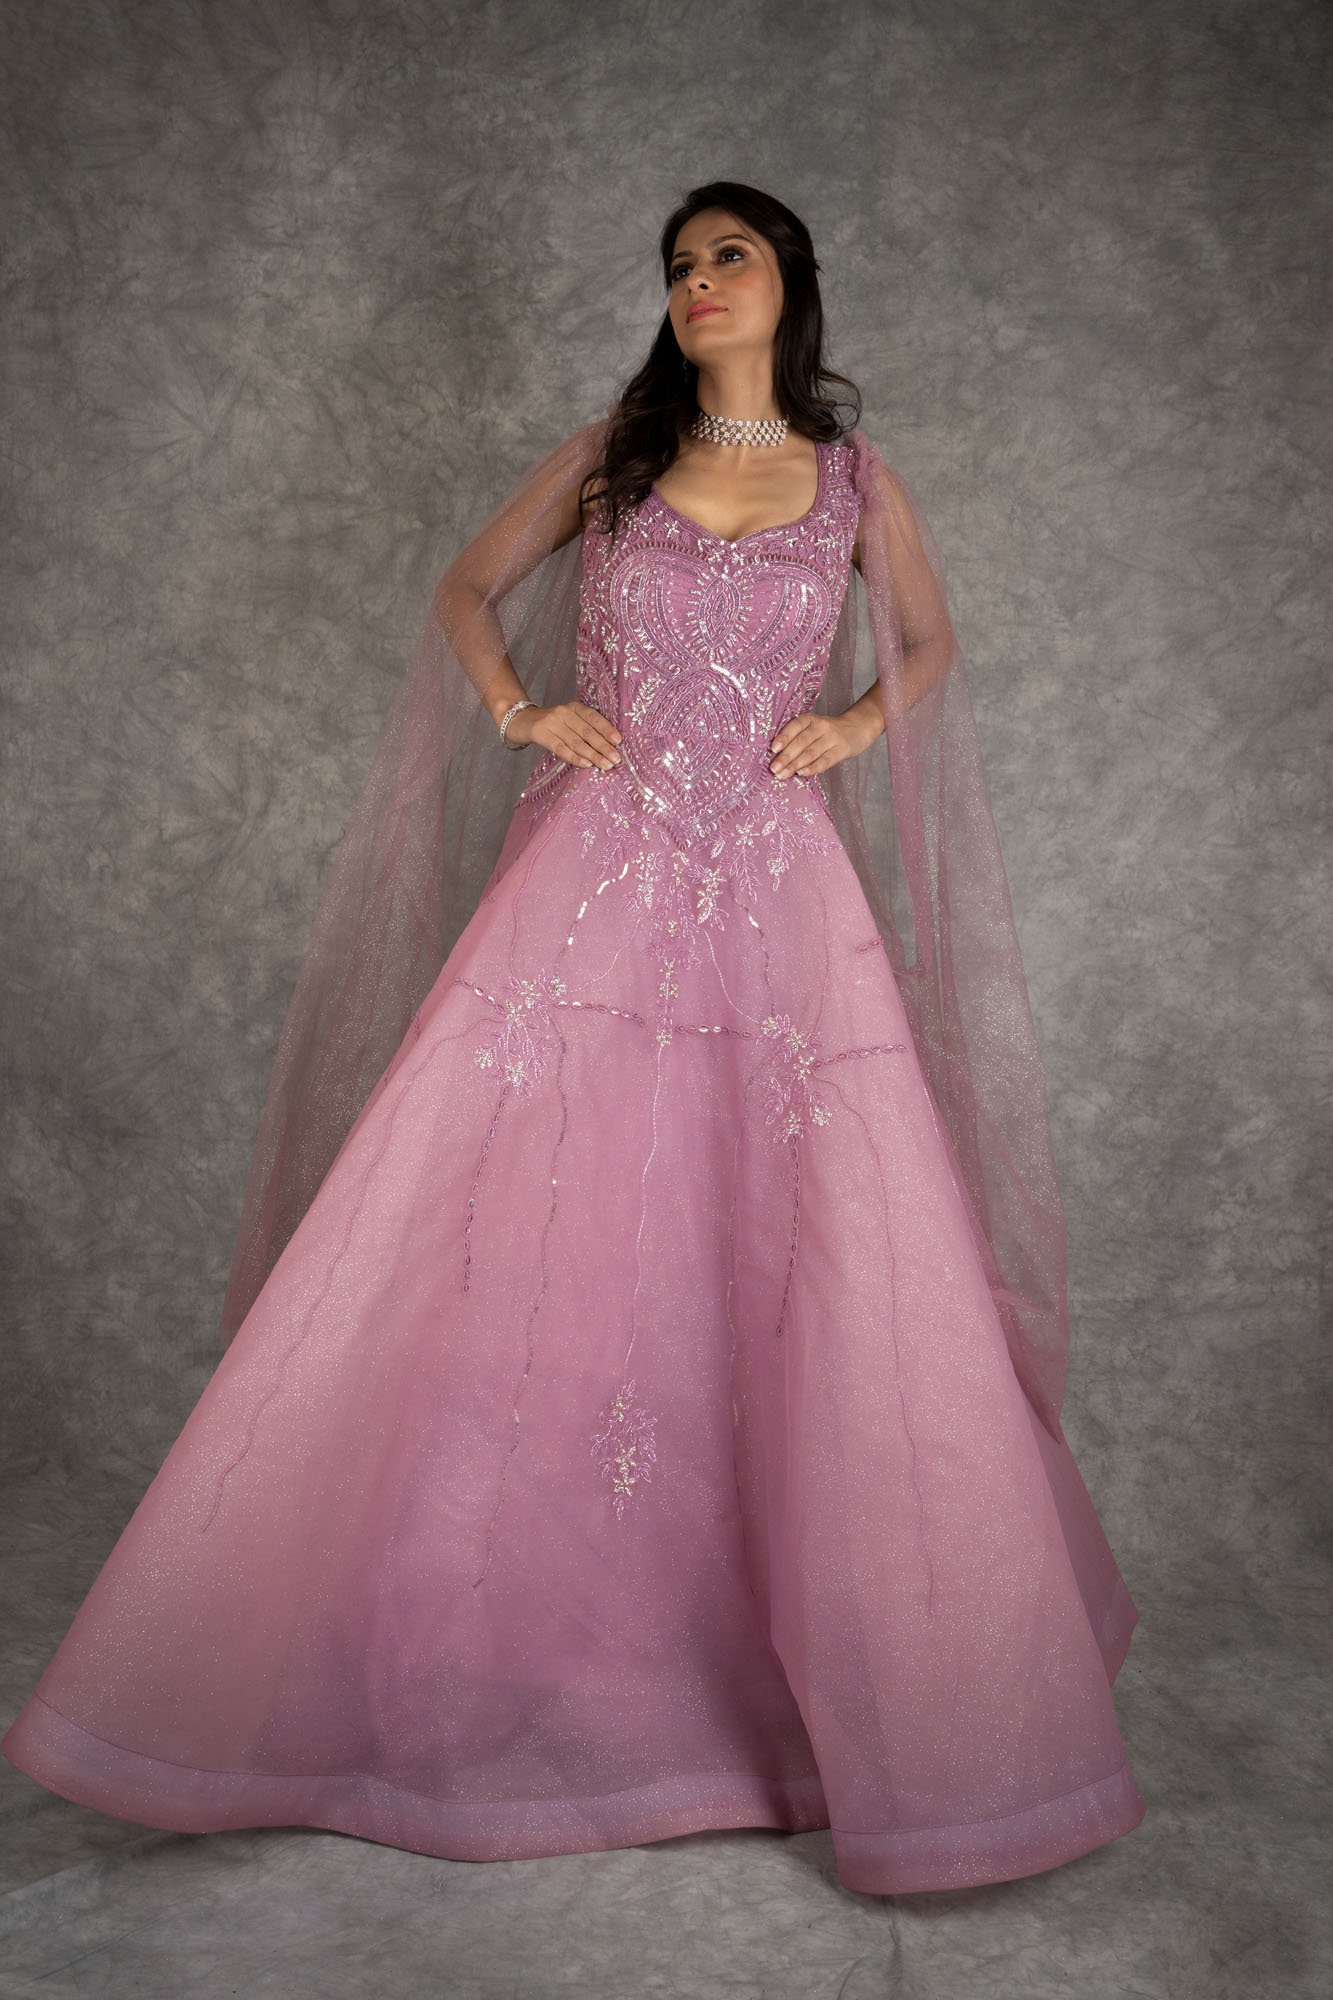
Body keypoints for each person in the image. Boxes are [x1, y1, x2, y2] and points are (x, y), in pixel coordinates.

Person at [1, 181, 1146, 1896]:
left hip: (778, 904)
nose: (697, 283)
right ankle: (441, 1663)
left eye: (727, 256)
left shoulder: (853, 483)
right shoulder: (615, 457)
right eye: (678, 266)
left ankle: (865, 1699)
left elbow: (928, 641)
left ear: (788, 282)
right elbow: (468, 587)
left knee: (814, 1253)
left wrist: (852, 722)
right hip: (589, 883)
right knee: (501, 1229)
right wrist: (522, 709)